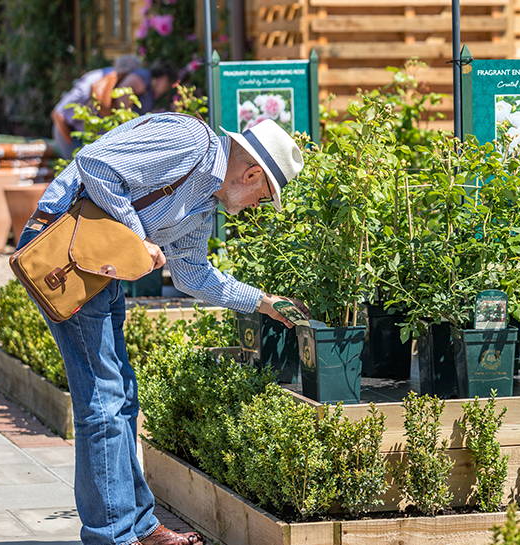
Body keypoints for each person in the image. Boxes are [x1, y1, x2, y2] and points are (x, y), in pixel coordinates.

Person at [15, 113, 308, 545]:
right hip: (68, 253)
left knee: (123, 397)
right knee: (103, 400)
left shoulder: (204, 202)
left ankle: (140, 525)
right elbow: (96, 165)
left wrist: (264, 303)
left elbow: (193, 277)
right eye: (263, 197)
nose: (255, 208)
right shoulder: (188, 139)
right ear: (250, 174)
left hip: (101, 266)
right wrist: (139, 239)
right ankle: (111, 536)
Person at [51, 57, 177, 158]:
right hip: (71, 135)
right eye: (168, 84)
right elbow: (58, 114)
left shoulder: (141, 82)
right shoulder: (141, 77)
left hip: (92, 140)